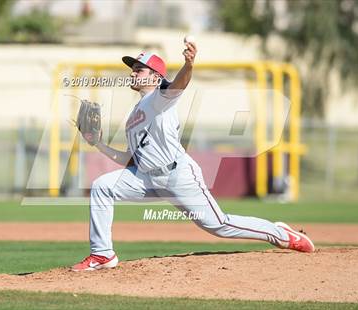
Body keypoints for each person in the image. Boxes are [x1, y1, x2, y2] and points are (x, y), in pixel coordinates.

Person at [71, 41, 314, 272]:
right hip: (146, 179)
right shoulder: (135, 114)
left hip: (178, 176)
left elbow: (179, 84)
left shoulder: (160, 97)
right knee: (103, 186)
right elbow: (132, 160)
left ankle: (282, 235)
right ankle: (103, 254)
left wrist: (188, 65)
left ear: (155, 77)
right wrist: (99, 144)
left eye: (139, 69)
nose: (133, 73)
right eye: (133, 69)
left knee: (220, 225)